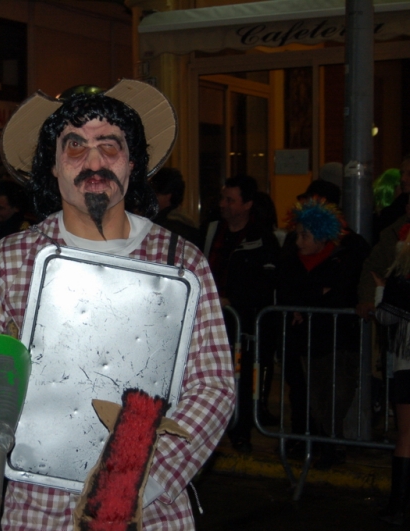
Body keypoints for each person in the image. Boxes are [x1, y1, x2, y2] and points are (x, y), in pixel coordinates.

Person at [0, 79, 234, 529]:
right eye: (75, 146)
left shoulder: (181, 262)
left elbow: (214, 387)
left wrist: (139, 483)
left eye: (110, 145)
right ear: (54, 168)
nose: (94, 161)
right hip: (38, 506)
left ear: (132, 163)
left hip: (150, 510)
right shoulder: (13, 259)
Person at [276, 198, 365, 468]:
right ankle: (320, 444)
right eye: (299, 234)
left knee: (335, 396)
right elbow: (289, 291)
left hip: (337, 341)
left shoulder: (343, 257)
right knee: (313, 397)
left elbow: (340, 295)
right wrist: (316, 296)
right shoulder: (292, 259)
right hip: (306, 342)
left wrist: (311, 300)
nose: (299, 240)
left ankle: (330, 445)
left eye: (305, 235)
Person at [202, 175, 280, 453]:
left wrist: (233, 300)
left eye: (230, 200)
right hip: (213, 322)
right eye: (223, 198)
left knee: (243, 380)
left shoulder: (261, 238)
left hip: (243, 324)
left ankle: (241, 431)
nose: (223, 204)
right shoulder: (212, 231)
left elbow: (266, 284)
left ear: (247, 204)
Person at [373, 222, 410, 525]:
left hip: (406, 362)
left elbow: (385, 316)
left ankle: (399, 504)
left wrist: (380, 289)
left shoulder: (401, 277)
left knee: (407, 434)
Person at [148, 167, 201, 246]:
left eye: (157, 194)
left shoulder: (164, 225)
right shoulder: (187, 221)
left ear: (168, 196)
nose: (152, 198)